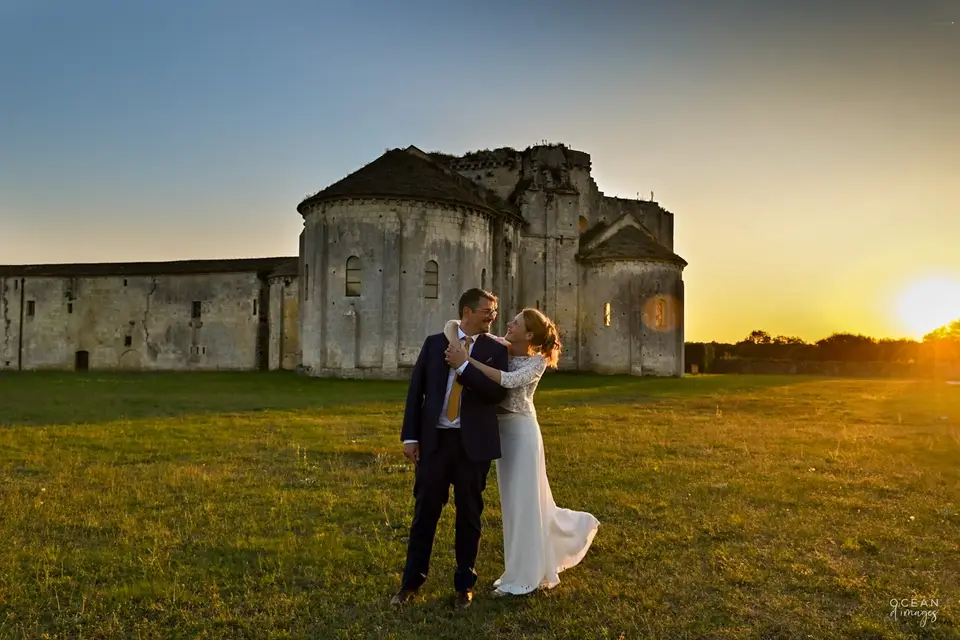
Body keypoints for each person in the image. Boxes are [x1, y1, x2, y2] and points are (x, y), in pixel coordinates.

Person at [443, 308, 599, 596]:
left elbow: (507, 380)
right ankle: (516, 569)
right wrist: (459, 343)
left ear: (528, 334)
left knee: (525, 504)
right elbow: (452, 324)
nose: (509, 323)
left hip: (523, 434)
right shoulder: (499, 347)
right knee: (512, 505)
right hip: (500, 434)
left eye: (515, 323)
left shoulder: (537, 362)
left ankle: (525, 576)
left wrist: (466, 362)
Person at [391, 288, 509, 609]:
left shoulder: (496, 349)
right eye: (487, 311)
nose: (492, 317)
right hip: (435, 442)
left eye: (494, 312)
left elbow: (496, 394)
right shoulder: (434, 344)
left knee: (469, 515)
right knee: (424, 513)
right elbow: (416, 391)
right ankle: (411, 583)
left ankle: (464, 585)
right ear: (467, 311)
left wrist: (464, 367)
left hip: (474, 445)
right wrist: (410, 437)